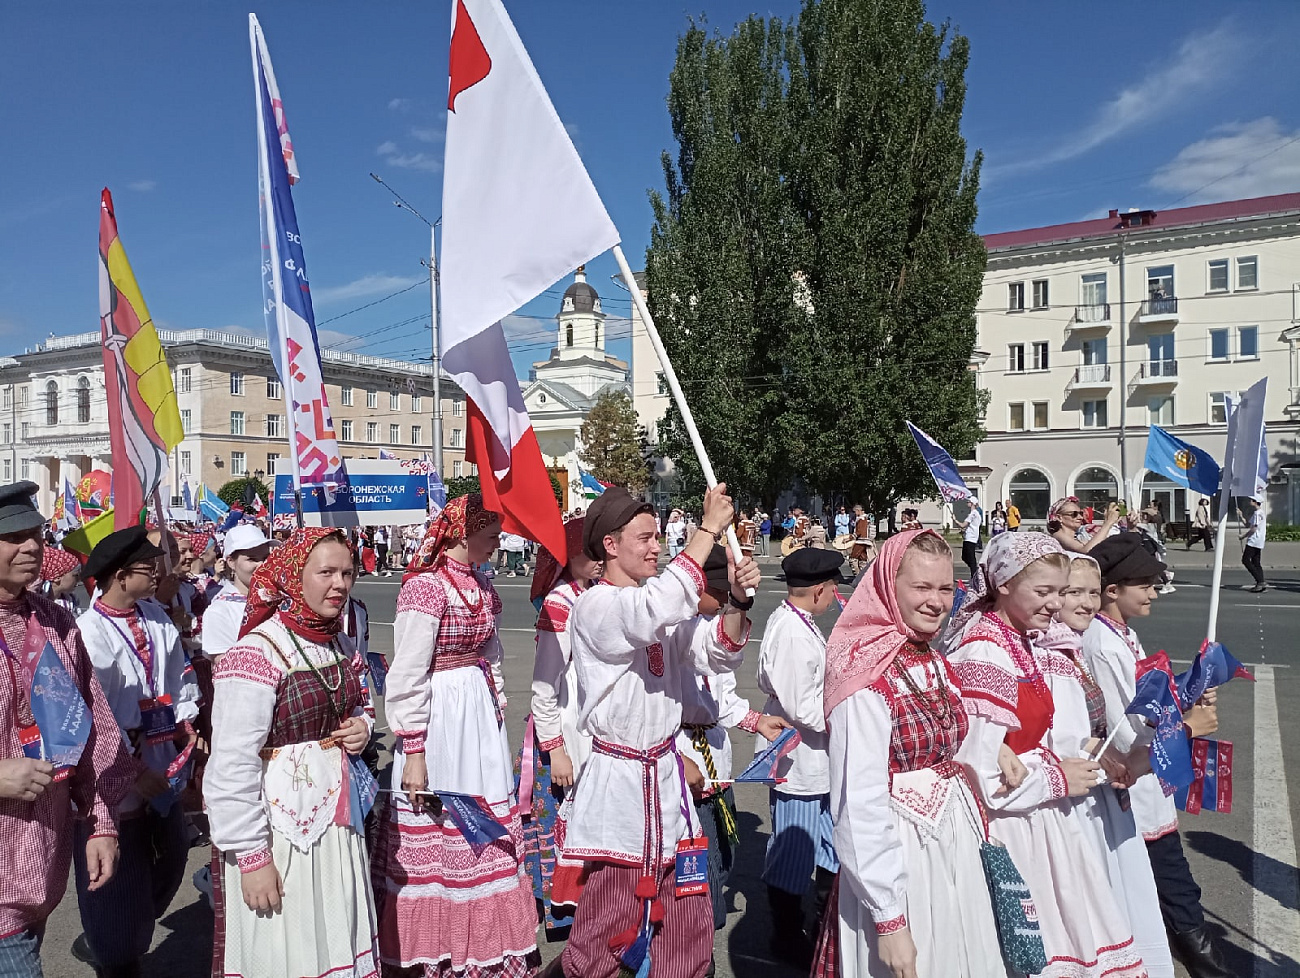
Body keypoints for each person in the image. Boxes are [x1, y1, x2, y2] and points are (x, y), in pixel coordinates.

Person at [558, 485, 760, 978]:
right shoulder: (597, 606)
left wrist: (734, 598)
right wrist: (709, 531)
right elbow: (650, 611)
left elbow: (715, 650)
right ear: (610, 545)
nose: (656, 547)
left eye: (657, 538)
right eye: (644, 538)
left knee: (687, 916)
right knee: (610, 916)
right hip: (620, 783)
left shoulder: (662, 610)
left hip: (667, 781)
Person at [945, 532, 1147, 978]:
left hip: (1040, 817)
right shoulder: (985, 649)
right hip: (1013, 826)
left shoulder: (1024, 640)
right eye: (1043, 591)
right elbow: (978, 774)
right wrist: (1056, 779)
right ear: (1003, 584)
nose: (1055, 603)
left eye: (1060, 591)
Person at [813, 529, 1005, 978]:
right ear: (887, 585)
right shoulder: (862, 670)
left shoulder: (930, 656)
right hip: (900, 855)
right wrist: (889, 918)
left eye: (944, 587)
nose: (937, 601)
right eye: (922, 587)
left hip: (953, 844)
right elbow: (857, 803)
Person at [373, 495, 539, 977]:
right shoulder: (425, 588)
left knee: (485, 818)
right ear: (462, 533)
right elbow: (407, 673)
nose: (497, 539)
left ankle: (489, 948)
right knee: (443, 819)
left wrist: (497, 703)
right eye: (489, 531)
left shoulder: (483, 585)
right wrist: (415, 750)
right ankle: (439, 947)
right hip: (441, 714)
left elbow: (491, 651)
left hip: (476, 715)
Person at [206, 526, 380, 978]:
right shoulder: (256, 653)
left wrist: (362, 725)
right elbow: (231, 765)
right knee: (287, 943)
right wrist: (252, 858)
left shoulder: (338, 642)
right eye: (325, 572)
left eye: (346, 572)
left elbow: (361, 701)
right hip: (279, 833)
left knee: (336, 930)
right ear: (292, 575)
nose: (339, 584)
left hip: (337, 824)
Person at [0, 483, 133, 978]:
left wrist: (100, 821)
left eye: (35, 533)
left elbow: (94, 730)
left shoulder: (55, 622)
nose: (32, 546)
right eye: (13, 537)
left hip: (41, 864)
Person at [1084, 533, 1227, 978]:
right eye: (1145, 584)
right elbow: (1128, 734)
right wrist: (1189, 727)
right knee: (1176, 895)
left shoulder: (1122, 635)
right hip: (1134, 793)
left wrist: (1188, 693)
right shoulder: (1101, 644)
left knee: (1169, 894)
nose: (1153, 593)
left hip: (1150, 791)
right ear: (1113, 589)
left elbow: (1150, 703)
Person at [75, 525, 201, 977]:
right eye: (149, 569)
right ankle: (114, 951)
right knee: (117, 877)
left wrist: (185, 723)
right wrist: (128, 771)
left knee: (172, 856)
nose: (158, 574)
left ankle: (124, 929)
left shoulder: (154, 616)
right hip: (117, 767)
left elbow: (174, 675)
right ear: (121, 576)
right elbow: (93, 721)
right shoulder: (90, 633)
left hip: (160, 752)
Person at [1047, 552, 1175, 977]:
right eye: (1071, 592)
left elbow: (1090, 729)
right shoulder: (1062, 652)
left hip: (1101, 792)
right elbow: (1068, 735)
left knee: (1125, 897)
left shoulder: (1071, 648)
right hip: (1074, 801)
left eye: (1089, 592)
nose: (1085, 602)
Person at [678, 545, 788, 933]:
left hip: (717, 762)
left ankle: (711, 911)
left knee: (727, 853)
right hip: (687, 758)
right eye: (719, 593)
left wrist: (757, 720)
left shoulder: (714, 630)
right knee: (699, 862)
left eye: (729, 595)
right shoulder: (673, 630)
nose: (723, 601)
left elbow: (724, 699)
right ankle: (698, 938)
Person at [756, 547, 846, 967]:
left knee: (827, 845)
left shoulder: (796, 621)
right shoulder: (792, 632)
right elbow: (801, 707)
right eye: (832, 591)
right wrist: (844, 716)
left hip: (814, 760)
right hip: (799, 758)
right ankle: (787, 936)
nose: (834, 598)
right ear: (819, 590)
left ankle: (822, 924)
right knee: (794, 851)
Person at [522, 517, 600, 937]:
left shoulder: (599, 594)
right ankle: (571, 914)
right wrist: (555, 748)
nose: (598, 560)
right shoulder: (561, 603)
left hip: (596, 731)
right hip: (569, 732)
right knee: (566, 821)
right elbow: (544, 686)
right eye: (588, 553)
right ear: (567, 557)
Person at [201, 525, 272, 662]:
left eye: (265, 557)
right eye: (252, 559)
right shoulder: (219, 611)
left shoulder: (278, 599)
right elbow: (227, 669)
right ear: (231, 562)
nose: (262, 565)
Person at [1048, 495, 1119, 553]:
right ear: (1059, 517)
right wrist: (1108, 522)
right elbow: (1087, 550)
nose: (1080, 517)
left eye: (1081, 513)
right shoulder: (1058, 535)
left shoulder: (1079, 534)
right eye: (1074, 514)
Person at [38, 546, 83, 615]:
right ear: (57, 577)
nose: (79, 579)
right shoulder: (38, 601)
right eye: (76, 575)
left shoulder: (70, 600)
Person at [1239, 497, 1266, 592]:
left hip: (1254, 540)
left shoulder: (1257, 513)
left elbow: (1253, 528)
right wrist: (1241, 516)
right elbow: (1248, 524)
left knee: (1245, 560)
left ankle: (1259, 581)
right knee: (1256, 562)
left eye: (1251, 500)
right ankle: (1261, 582)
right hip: (1259, 540)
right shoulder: (1261, 512)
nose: (1250, 501)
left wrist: (1243, 536)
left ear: (1255, 502)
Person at [847, 504, 874, 575]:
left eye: (855, 511)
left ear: (858, 510)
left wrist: (850, 538)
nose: (854, 513)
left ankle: (858, 575)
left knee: (853, 558)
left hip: (861, 541)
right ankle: (864, 574)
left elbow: (859, 531)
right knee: (862, 558)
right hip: (865, 541)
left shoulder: (861, 519)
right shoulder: (865, 519)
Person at [959, 501, 982, 578]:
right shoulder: (976, 514)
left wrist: (955, 519)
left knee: (971, 558)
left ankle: (975, 574)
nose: (967, 503)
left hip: (970, 538)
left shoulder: (973, 513)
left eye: (968, 502)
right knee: (965, 557)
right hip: (970, 537)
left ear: (972, 503)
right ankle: (974, 570)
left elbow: (963, 525)